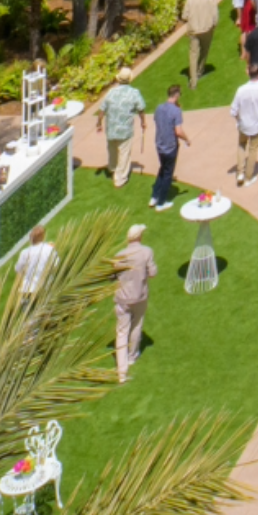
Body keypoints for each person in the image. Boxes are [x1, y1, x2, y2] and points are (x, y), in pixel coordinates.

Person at [112, 222, 157, 383]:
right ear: (139, 236)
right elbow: (153, 273)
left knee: (121, 332)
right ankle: (132, 356)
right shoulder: (147, 252)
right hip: (140, 297)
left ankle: (121, 371)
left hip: (122, 298)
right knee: (136, 326)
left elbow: (111, 276)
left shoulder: (119, 256)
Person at [95, 66, 146, 188]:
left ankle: (112, 168)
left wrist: (98, 123)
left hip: (111, 129)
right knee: (124, 154)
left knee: (112, 150)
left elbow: (102, 109)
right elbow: (141, 109)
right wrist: (143, 121)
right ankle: (120, 179)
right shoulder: (134, 93)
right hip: (125, 131)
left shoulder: (111, 92)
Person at [230, 62, 258, 187]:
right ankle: (248, 178)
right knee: (253, 150)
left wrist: (239, 121)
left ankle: (240, 173)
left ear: (248, 73)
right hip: (256, 125)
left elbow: (233, 110)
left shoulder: (240, 90)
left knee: (241, 145)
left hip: (243, 125)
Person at [150, 84, 188, 211]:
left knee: (162, 169)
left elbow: (158, 121)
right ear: (176, 95)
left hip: (159, 145)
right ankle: (161, 203)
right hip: (170, 146)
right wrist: (187, 139)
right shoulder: (176, 111)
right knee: (167, 174)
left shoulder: (159, 108)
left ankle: (154, 196)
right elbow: (178, 131)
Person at [15, 223, 57, 298]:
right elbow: (56, 265)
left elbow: (19, 270)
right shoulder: (49, 249)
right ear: (43, 236)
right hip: (44, 287)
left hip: (27, 289)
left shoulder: (25, 252)